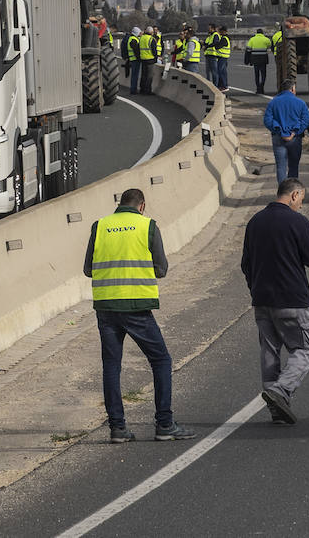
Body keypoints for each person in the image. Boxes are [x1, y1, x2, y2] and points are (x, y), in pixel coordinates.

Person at [84, 188, 195, 443]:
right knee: (161, 361)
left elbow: (88, 269)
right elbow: (161, 269)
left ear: (119, 204)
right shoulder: (148, 226)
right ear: (142, 206)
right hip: (136, 307)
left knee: (111, 366)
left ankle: (118, 428)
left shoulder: (99, 226)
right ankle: (165, 424)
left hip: (106, 308)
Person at [241, 178, 309, 425]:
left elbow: (246, 263)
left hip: (262, 299)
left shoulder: (255, 222)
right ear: (295, 195)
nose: (300, 205)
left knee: (269, 351)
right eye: (301, 200)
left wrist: (255, 288)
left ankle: (276, 408)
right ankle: (281, 390)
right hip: (292, 299)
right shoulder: (298, 221)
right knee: (306, 347)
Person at [263, 79, 309, 184]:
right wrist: (294, 132)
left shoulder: (273, 102)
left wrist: (279, 131)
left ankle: (282, 193)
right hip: (295, 139)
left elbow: (267, 120)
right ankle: (293, 191)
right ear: (293, 89)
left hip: (278, 138)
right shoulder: (301, 103)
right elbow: (306, 121)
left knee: (281, 167)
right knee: (293, 166)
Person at [245, 28, 273, 94]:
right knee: (263, 74)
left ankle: (258, 88)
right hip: (263, 59)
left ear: (257, 33)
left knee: (256, 74)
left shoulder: (252, 39)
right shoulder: (266, 39)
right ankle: (262, 86)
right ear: (262, 33)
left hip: (255, 60)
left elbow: (248, 49)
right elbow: (270, 46)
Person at [137, 27, 156, 94]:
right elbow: (154, 50)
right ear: (151, 32)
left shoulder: (141, 38)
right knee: (149, 76)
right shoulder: (151, 39)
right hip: (150, 60)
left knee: (143, 75)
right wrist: (155, 58)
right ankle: (147, 91)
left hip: (143, 59)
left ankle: (142, 89)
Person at [125, 27, 142, 95]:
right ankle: (133, 90)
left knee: (134, 75)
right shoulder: (133, 40)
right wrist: (139, 58)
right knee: (135, 76)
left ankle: (133, 89)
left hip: (132, 59)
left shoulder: (131, 39)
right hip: (135, 60)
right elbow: (136, 51)